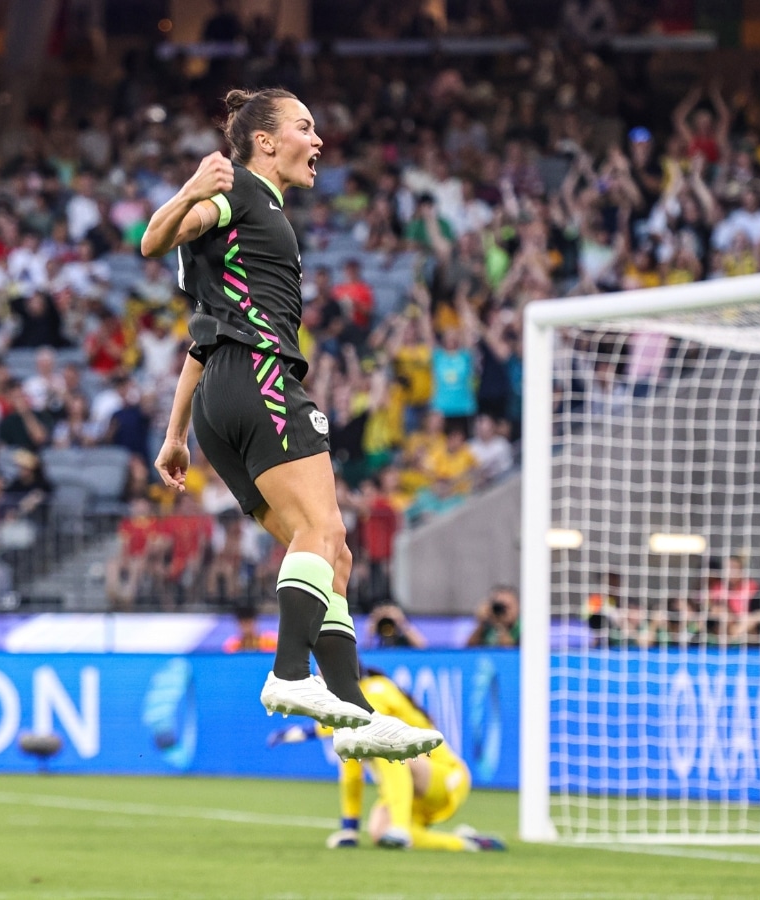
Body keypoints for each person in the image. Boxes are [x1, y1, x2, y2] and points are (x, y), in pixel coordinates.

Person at [142, 87, 440, 761]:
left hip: (222, 392)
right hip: (261, 377)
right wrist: (193, 185)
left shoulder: (250, 220)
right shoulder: (241, 194)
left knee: (334, 558)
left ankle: (355, 716)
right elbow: (152, 240)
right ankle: (287, 673)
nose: (319, 140)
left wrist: (174, 433)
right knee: (324, 530)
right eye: (305, 127)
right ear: (266, 142)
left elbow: (200, 338)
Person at [268, 670, 505, 852]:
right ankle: (466, 843)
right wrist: (350, 831)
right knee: (379, 833)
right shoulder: (347, 724)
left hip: (445, 777)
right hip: (409, 794)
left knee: (385, 742)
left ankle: (400, 827)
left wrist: (304, 732)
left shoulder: (377, 689)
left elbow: (370, 721)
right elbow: (351, 773)